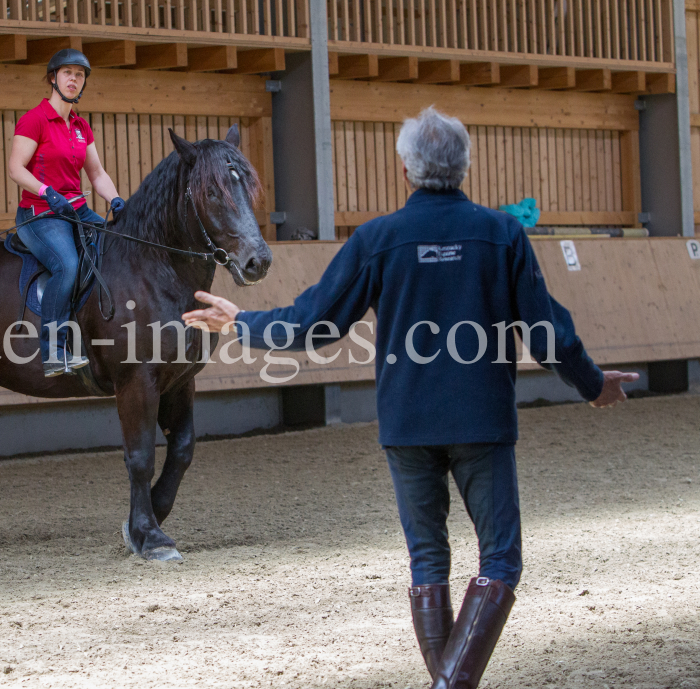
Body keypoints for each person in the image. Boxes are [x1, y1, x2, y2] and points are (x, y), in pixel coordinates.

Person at [181, 106, 639, 688]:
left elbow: (312, 323)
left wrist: (241, 322)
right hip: (482, 421)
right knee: (499, 559)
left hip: (407, 423)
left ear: (404, 170)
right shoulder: (502, 234)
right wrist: (593, 384)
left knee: (429, 560)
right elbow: (547, 331)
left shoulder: (378, 239)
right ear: (465, 166)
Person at [7, 48, 125, 377]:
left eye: (80, 74)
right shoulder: (34, 120)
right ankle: (55, 351)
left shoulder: (80, 126)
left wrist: (116, 200)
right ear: (53, 78)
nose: (74, 79)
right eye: (67, 73)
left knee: (119, 246)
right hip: (40, 214)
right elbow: (16, 169)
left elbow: (97, 174)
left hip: (76, 210)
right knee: (67, 265)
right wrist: (47, 192)